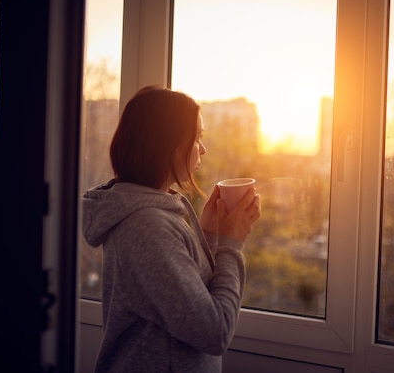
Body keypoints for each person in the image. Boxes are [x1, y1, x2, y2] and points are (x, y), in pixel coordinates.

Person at [82, 86, 261, 372]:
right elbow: (214, 332)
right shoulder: (146, 227)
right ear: (170, 144)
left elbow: (185, 298)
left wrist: (210, 235)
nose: (203, 148)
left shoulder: (157, 214)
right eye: (197, 137)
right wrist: (231, 243)